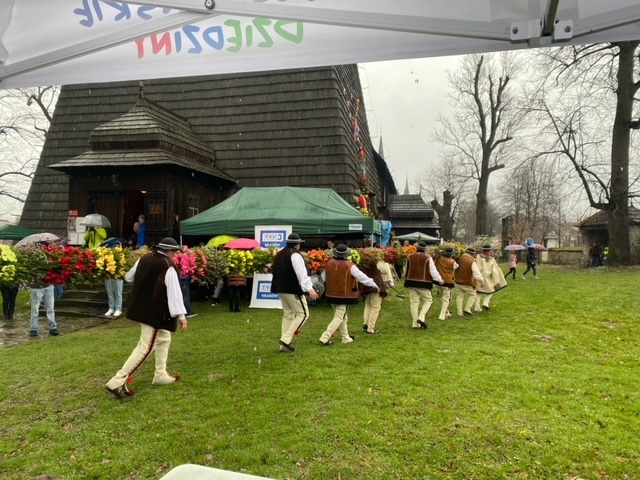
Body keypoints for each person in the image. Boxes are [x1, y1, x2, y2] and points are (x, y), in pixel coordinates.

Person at [105, 237, 188, 399]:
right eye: (175, 252)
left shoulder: (144, 258)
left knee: (164, 339)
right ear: (170, 251)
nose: (175, 255)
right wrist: (182, 316)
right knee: (146, 347)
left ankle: (160, 374)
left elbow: (129, 277)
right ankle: (117, 380)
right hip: (154, 312)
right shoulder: (168, 266)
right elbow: (175, 294)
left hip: (141, 309)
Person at [319, 244, 378, 345]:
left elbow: (324, 278)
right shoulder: (350, 265)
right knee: (339, 317)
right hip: (344, 295)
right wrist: (373, 284)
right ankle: (325, 337)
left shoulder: (328, 264)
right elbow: (361, 277)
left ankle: (345, 337)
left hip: (330, 294)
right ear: (346, 254)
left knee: (342, 316)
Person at [270, 233, 318, 352]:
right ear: (298, 244)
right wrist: (309, 288)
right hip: (292, 289)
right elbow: (301, 273)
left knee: (288, 315)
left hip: (280, 288)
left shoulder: (280, 254)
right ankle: (286, 339)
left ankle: (284, 344)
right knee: (303, 314)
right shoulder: (295, 255)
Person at [404, 241, 444, 329]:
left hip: (411, 282)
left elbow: (407, 269)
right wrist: (440, 280)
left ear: (416, 248)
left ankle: (415, 323)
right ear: (425, 249)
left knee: (414, 303)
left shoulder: (410, 257)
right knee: (429, 300)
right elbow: (433, 271)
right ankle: (421, 317)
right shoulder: (427, 258)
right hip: (424, 283)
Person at [359, 256, 392, 334]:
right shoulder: (377, 262)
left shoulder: (363, 263)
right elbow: (385, 271)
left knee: (368, 304)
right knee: (375, 307)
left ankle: (366, 323)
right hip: (376, 285)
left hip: (365, 286)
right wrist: (382, 261)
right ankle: (370, 328)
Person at [474, 245, 508, 312]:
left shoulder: (478, 257)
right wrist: (497, 281)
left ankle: (477, 307)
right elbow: (495, 270)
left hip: (480, 277)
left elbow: (477, 267)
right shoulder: (491, 259)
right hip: (488, 278)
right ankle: (485, 303)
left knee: (479, 292)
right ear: (489, 251)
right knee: (491, 290)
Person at [454, 246, 485, 317]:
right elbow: (476, 273)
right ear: (473, 254)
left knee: (459, 296)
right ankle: (467, 309)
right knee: (473, 295)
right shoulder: (471, 261)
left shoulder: (459, 258)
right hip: (467, 281)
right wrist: (482, 280)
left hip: (458, 280)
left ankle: (460, 313)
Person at [434, 247, 457, 321]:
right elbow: (456, 267)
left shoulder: (439, 259)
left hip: (439, 280)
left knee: (442, 297)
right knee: (446, 299)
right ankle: (442, 315)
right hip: (448, 282)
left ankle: (446, 312)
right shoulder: (453, 262)